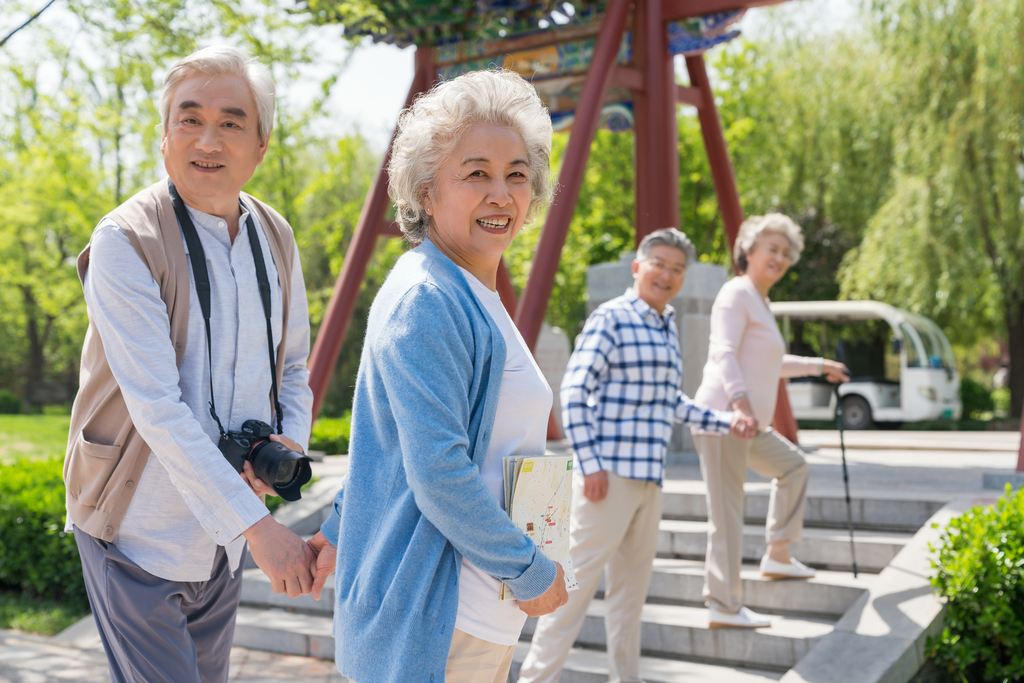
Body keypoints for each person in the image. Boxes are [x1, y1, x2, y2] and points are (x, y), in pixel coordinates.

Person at [63, 46, 316, 682]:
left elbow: (293, 371)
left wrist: (283, 461)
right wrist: (260, 527)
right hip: (136, 531)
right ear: (164, 136)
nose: (208, 138)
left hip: (222, 542)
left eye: (232, 122)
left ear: (261, 145)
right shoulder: (125, 240)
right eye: (188, 118)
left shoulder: (274, 233)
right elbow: (157, 406)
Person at [306, 69, 568, 683]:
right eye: (476, 173)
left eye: (517, 175)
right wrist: (528, 569)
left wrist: (342, 524)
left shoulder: (470, 290)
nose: (501, 193)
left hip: (476, 609)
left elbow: (392, 443)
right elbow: (438, 470)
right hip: (446, 615)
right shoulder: (429, 297)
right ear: (426, 191)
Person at [518, 228, 756, 683]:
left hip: (650, 481)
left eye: (677, 269)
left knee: (630, 599)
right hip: (606, 480)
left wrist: (727, 421)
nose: (667, 275)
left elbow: (671, 402)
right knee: (571, 592)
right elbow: (573, 387)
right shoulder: (613, 318)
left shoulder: (667, 325)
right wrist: (589, 464)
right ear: (638, 267)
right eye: (659, 264)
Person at [692, 213, 849, 629]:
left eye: (785, 252)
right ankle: (723, 605)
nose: (778, 257)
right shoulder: (736, 294)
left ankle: (778, 554)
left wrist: (820, 365)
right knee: (726, 514)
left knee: (793, 466)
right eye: (771, 249)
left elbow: (771, 362)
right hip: (725, 420)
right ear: (749, 250)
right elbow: (723, 352)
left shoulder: (760, 301)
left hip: (748, 425)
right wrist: (741, 404)